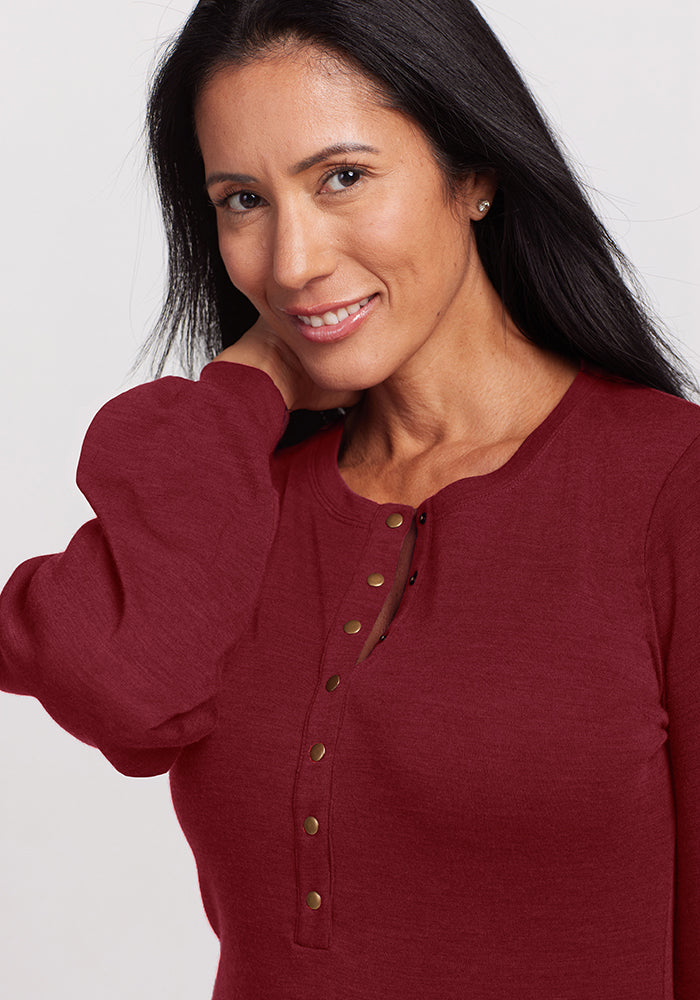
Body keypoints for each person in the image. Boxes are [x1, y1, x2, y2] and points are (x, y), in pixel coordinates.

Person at [1, 0, 698, 997]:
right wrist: (246, 388)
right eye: (244, 199)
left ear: (474, 172)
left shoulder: (670, 488)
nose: (292, 262)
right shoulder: (233, 502)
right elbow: (121, 687)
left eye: (342, 177)